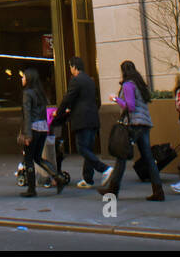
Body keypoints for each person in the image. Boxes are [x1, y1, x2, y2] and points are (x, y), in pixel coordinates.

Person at [97, 61, 164, 201]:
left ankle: (112, 190)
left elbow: (130, 106)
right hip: (145, 123)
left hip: (134, 124)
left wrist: (115, 99)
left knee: (121, 156)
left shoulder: (128, 85)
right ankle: (158, 190)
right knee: (148, 158)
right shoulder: (139, 85)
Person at [52, 56, 111, 189]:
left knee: (82, 148)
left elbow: (68, 98)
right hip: (93, 118)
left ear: (74, 67)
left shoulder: (76, 80)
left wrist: (59, 112)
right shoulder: (90, 81)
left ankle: (105, 169)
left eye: (70, 67)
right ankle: (88, 179)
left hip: (82, 119)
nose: (70, 69)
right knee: (88, 149)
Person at [18, 69, 66, 197]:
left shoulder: (27, 93)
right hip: (43, 128)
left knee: (29, 159)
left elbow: (27, 114)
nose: (22, 79)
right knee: (37, 157)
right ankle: (57, 177)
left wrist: (27, 134)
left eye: (23, 77)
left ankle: (31, 189)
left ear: (28, 79)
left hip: (32, 128)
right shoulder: (40, 93)